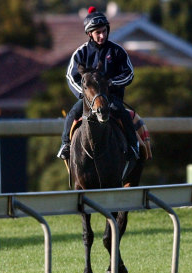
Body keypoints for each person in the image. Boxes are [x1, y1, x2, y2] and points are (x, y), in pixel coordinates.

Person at [57, 6, 139, 162]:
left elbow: (129, 74)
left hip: (112, 99)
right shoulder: (81, 53)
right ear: (89, 34)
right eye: (98, 33)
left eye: (104, 31)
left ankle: (133, 146)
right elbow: (71, 76)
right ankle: (65, 145)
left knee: (122, 113)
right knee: (72, 114)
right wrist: (83, 94)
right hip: (88, 100)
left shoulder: (117, 51)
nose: (102, 35)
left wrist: (111, 83)